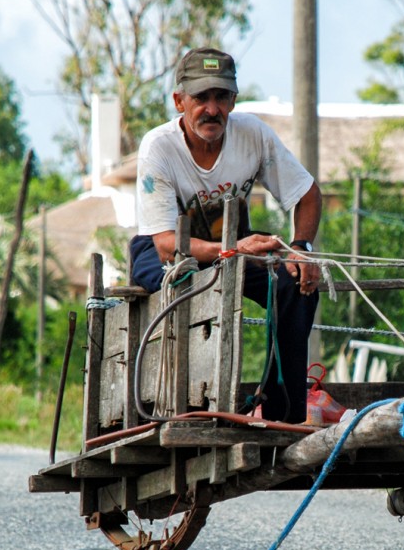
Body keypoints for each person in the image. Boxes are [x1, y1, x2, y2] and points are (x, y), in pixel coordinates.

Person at [128, 47, 322, 424]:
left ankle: (283, 417)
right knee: (182, 280)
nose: (212, 109)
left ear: (234, 100)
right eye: (201, 97)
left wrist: (301, 248)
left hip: (234, 241)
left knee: (295, 281)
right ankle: (185, 404)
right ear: (179, 101)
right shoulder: (158, 146)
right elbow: (167, 243)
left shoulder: (254, 134)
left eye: (222, 97)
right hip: (165, 250)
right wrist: (232, 250)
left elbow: (308, 194)